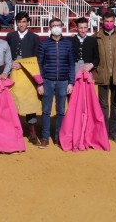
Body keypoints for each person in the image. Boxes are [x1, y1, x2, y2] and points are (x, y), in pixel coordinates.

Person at [37, 18, 75, 148]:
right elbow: (39, 65)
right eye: (53, 25)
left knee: (60, 111)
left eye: (58, 25)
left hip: (63, 81)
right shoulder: (44, 44)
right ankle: (45, 137)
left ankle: (59, 137)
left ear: (62, 27)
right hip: (47, 81)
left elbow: (71, 64)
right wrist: (39, 83)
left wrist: (71, 82)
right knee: (46, 111)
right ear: (50, 28)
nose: (56, 27)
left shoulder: (68, 44)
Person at [6, 11, 41, 144]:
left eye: (24, 22)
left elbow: (37, 57)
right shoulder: (11, 36)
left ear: (28, 22)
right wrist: (11, 64)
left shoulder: (34, 37)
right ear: (16, 23)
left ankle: (32, 133)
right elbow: (7, 55)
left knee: (30, 101)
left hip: (28, 73)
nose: (21, 24)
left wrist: (24, 65)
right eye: (19, 22)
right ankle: (14, 131)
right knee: (13, 101)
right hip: (14, 72)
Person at [94, 12, 116, 143]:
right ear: (102, 21)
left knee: (115, 105)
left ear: (115, 22)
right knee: (103, 105)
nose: (108, 23)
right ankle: (103, 132)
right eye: (106, 21)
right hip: (102, 75)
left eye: (111, 21)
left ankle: (114, 132)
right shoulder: (96, 36)